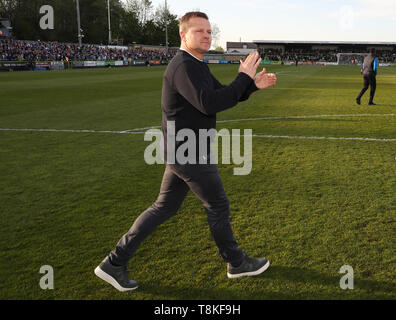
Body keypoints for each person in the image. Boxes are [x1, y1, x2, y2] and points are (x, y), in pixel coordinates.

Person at [94, 11, 277, 292]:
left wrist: (251, 85)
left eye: (208, 31)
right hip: (189, 152)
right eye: (199, 31)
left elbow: (224, 95)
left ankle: (114, 263)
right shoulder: (184, 66)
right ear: (183, 35)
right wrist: (243, 77)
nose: (207, 35)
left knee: (163, 207)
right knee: (217, 205)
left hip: (183, 150)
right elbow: (208, 104)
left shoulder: (196, 65)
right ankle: (236, 263)